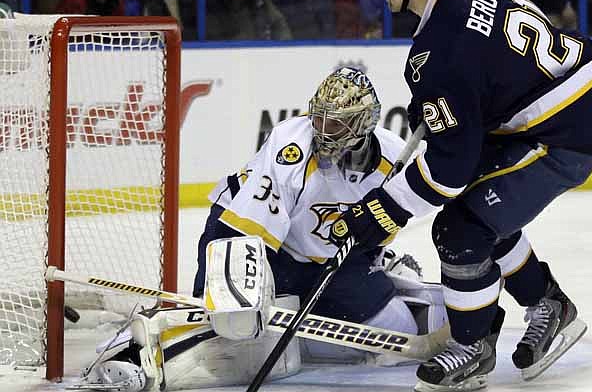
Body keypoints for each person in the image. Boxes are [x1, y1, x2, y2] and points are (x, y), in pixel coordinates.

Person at [327, 0, 592, 391]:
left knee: (461, 230)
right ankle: (547, 303)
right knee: (481, 212)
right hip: (564, 93)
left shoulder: (440, 57)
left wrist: (382, 210)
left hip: (566, 130)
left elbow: (448, 173)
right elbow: (487, 61)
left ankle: (473, 345)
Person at [75, 67, 448, 390]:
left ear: (363, 124)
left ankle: (393, 278)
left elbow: (395, 215)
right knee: (230, 327)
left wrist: (373, 251)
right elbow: (248, 237)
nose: (321, 129)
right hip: (244, 236)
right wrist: (242, 299)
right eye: (318, 117)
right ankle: (130, 351)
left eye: (334, 122)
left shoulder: (394, 156)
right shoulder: (293, 145)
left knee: (398, 338)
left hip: (330, 258)